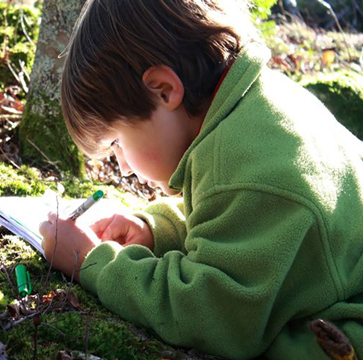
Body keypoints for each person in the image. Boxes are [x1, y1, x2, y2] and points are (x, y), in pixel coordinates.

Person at [38, 0, 363, 359]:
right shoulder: (256, 105)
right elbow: (238, 220)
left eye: (117, 142)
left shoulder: (240, 164)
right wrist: (156, 230)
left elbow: (211, 316)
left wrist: (92, 262)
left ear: (164, 90)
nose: (124, 166)